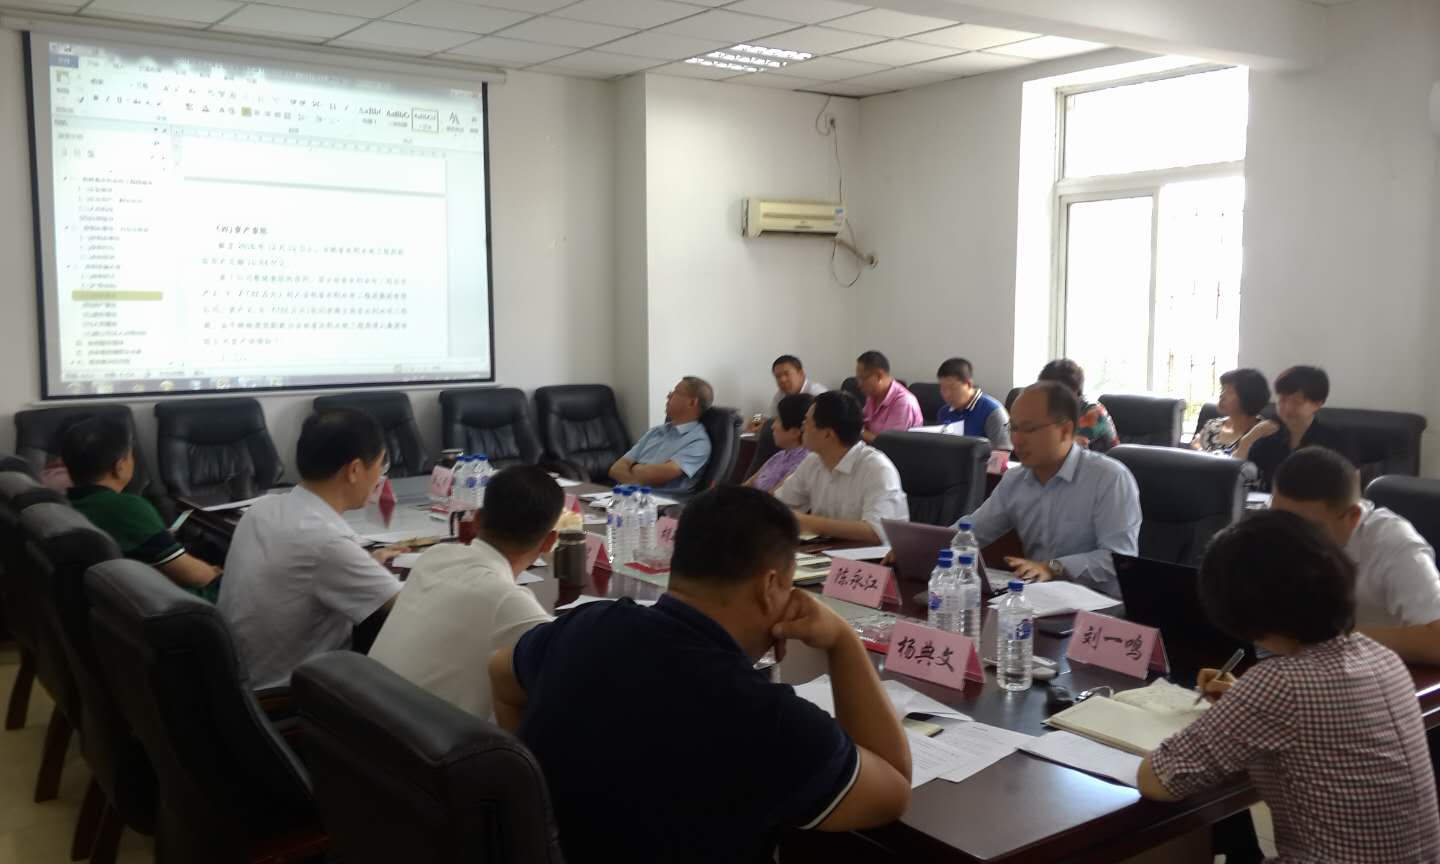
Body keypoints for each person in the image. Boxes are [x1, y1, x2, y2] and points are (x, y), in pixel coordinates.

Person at [489, 486, 912, 863]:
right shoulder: (765, 718)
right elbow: (892, 790)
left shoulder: (586, 626)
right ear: (769, 587)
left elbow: (500, 674)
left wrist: (534, 796)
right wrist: (843, 641)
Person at [1138, 510, 1440, 861]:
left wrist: (1248, 703)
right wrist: (1244, 702)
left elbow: (1158, 780)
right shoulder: (1380, 656)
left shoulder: (1279, 684)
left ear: (1240, 616)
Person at [219, 409, 404, 690]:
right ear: (354, 470)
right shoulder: (327, 544)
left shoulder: (263, 508)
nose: (380, 476)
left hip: (237, 680)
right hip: (288, 697)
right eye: (381, 466)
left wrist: (365, 562)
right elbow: (407, 606)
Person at [370, 466, 559, 718]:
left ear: (477, 519)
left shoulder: (434, 557)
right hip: (423, 739)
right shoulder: (509, 602)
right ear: (549, 542)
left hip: (363, 720)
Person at [958, 382, 1140, 598]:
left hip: (1100, 605)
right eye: (1013, 428)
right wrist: (933, 543)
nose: (1017, 440)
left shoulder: (1109, 478)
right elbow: (974, 530)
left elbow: (1118, 559)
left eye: (1030, 429)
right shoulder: (1015, 480)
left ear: (1065, 430)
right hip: (1039, 598)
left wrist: (1052, 567)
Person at [1270, 446, 1440, 665]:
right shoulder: (1274, 528)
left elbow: (1437, 641)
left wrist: (1330, 637)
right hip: (1299, 665)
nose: (1288, 535)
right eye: (1280, 519)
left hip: (1379, 673)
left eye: (1307, 528)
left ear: (1352, 516)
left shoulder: (1395, 544)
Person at [60, 415, 221, 601]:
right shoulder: (126, 508)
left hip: (121, 599)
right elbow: (195, 576)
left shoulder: (66, 503)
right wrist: (216, 572)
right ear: (120, 467)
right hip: (179, 603)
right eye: (130, 455)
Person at [775, 391, 909, 544]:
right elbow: (780, 504)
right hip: (826, 551)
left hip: (873, 556)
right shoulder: (813, 461)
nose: (802, 427)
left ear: (827, 434)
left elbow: (876, 532)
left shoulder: (877, 468)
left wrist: (807, 522)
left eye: (807, 422)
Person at [1243, 365, 1352, 489]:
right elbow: (1240, 478)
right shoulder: (1267, 437)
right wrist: (1248, 439)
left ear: (1318, 404)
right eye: (1282, 400)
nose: (1288, 408)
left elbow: (1350, 490)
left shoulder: (1337, 441)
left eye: (1296, 402)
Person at [609, 376, 713, 498]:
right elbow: (615, 468)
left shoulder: (698, 442)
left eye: (676, 392)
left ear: (692, 402)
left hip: (657, 504)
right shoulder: (655, 432)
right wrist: (637, 474)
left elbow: (658, 474)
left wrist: (633, 468)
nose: (668, 396)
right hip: (622, 498)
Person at [1037, 359, 1119, 452]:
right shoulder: (1059, 410)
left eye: (1051, 392)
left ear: (1072, 390)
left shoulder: (1094, 414)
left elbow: (1060, 448)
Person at [935, 357, 1012, 450]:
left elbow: (1004, 452)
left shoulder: (993, 412)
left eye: (953, 388)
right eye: (943, 388)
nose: (947, 394)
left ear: (968, 384)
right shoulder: (944, 412)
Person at [744, 393, 814, 493]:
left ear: (794, 432)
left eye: (778, 421)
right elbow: (760, 414)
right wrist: (755, 419)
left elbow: (770, 499)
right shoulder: (779, 456)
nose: (772, 426)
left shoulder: (802, 465)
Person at [1192, 368, 1270, 457]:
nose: (1222, 395)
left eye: (1230, 392)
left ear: (1248, 397)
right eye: (1222, 389)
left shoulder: (1263, 432)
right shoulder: (1212, 426)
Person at [745, 355, 828, 433]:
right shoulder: (780, 394)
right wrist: (755, 418)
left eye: (786, 374)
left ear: (801, 374)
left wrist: (767, 426)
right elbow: (773, 417)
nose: (782, 380)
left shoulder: (817, 394)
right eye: (778, 376)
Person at [855, 350, 923, 443]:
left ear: (879, 376)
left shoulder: (903, 402)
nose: (859, 384)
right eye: (858, 379)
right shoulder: (872, 396)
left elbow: (889, 444)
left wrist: (859, 432)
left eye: (862, 379)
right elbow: (863, 423)